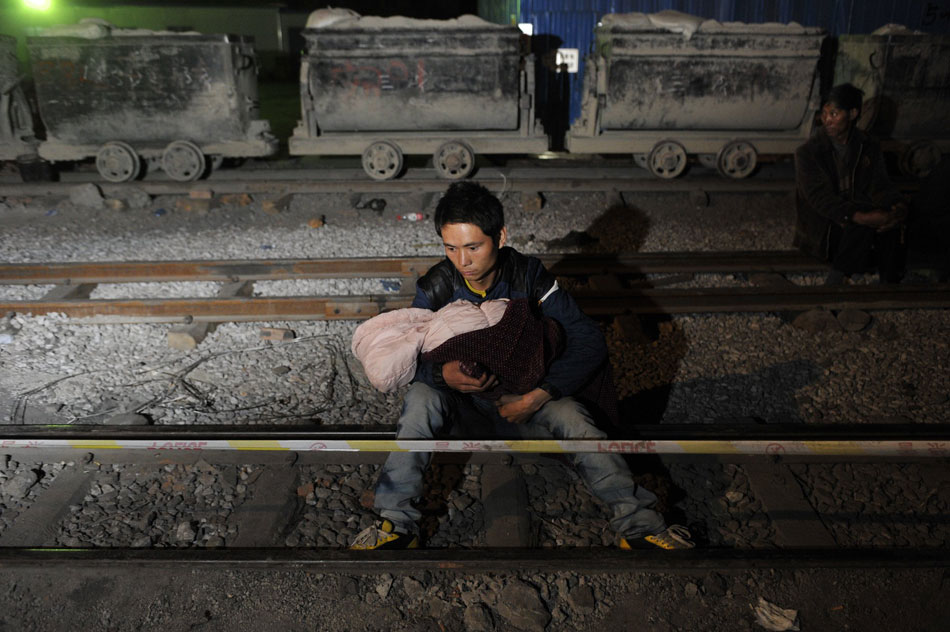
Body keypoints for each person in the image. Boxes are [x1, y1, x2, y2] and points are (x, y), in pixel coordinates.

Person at [350, 181, 694, 551]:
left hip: (528, 403)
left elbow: (588, 339)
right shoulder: (438, 284)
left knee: (575, 418)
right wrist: (440, 375)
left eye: (473, 247)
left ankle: (639, 527)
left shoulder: (529, 276)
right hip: (466, 408)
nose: (462, 261)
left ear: (500, 236)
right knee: (420, 399)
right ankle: (396, 526)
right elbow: (406, 353)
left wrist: (536, 396)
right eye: (450, 248)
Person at [793, 83, 908, 284]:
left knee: (888, 219)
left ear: (853, 113)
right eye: (825, 113)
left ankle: (889, 282)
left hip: (854, 225)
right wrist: (861, 217)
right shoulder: (808, 152)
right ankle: (837, 278)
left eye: (835, 114)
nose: (827, 120)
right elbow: (820, 199)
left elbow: (880, 184)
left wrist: (896, 209)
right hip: (825, 229)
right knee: (861, 218)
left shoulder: (867, 145)